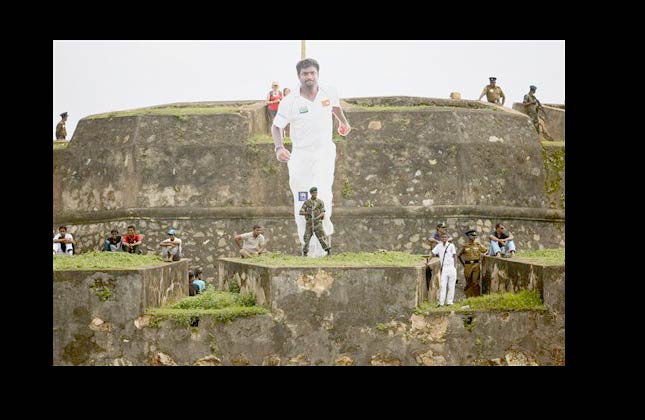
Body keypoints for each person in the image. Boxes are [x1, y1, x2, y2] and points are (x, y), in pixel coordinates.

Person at [271, 58, 351, 257]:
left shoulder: (329, 91)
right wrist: (279, 148)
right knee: (303, 200)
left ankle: (323, 247)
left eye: (312, 73)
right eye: (305, 74)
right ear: (299, 76)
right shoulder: (290, 101)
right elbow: (276, 126)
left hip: (324, 152)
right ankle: (307, 248)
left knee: (323, 196)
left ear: (317, 74)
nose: (309, 77)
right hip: (301, 157)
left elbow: (335, 107)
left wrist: (343, 123)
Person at [299, 186, 331, 256]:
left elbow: (323, 212)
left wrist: (317, 218)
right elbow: (300, 212)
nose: (315, 194)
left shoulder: (320, 202)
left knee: (322, 237)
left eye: (316, 192)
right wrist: (308, 213)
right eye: (313, 193)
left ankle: (328, 251)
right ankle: (305, 253)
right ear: (311, 193)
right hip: (309, 223)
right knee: (306, 238)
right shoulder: (307, 202)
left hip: (317, 223)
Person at [457, 230, 488, 297]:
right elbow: (458, 255)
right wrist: (463, 264)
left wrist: (482, 257)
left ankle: (477, 297)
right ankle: (468, 297)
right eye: (472, 235)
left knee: (475, 282)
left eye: (475, 235)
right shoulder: (465, 246)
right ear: (468, 236)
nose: (474, 237)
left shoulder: (478, 244)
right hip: (467, 265)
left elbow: (486, 250)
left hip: (476, 264)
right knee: (468, 282)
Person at [432, 232, 458, 307]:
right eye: (442, 237)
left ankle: (449, 302)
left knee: (451, 285)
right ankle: (441, 302)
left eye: (445, 237)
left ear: (447, 238)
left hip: (451, 267)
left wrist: (455, 266)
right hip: (444, 268)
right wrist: (428, 261)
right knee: (443, 285)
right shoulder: (439, 246)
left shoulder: (451, 246)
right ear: (440, 238)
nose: (444, 239)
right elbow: (433, 253)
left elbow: (454, 256)